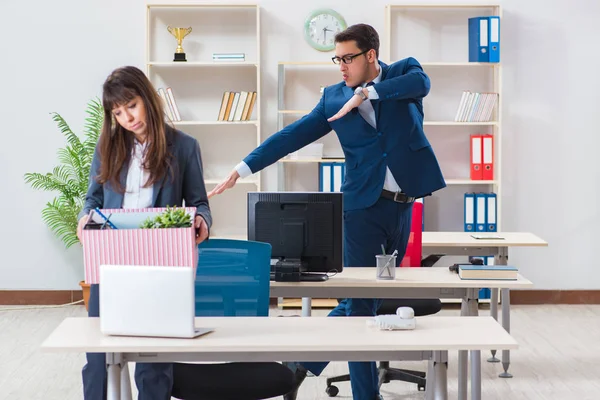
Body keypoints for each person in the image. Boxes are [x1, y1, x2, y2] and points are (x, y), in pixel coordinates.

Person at [208, 23, 446, 400]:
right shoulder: (332, 99)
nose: (341, 66)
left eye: (348, 58)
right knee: (361, 305)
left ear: (371, 55)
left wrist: (369, 93)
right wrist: (242, 169)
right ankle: (365, 395)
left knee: (363, 302)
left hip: (404, 208)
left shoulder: (404, 74)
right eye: (337, 58)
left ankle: (299, 365)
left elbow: (422, 84)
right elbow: (291, 136)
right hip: (360, 211)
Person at [76, 65, 212, 400]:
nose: (127, 118)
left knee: (154, 361)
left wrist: (201, 222)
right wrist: (84, 218)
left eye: (131, 106)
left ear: (147, 99)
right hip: (111, 264)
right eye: (118, 112)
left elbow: (199, 203)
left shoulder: (184, 146)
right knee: (98, 356)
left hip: (161, 265)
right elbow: (93, 197)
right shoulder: (107, 146)